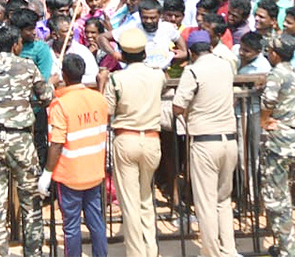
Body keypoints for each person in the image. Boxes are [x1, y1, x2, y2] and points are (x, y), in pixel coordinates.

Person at [0, 24, 53, 257]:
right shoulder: (27, 65)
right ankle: (33, 252)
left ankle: (0, 253)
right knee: (30, 201)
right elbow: (46, 95)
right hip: (20, 139)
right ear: (16, 44)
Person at [99, 26, 165, 257]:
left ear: (123, 55)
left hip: (126, 139)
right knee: (146, 197)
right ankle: (151, 249)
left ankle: (137, 253)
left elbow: (106, 109)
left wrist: (101, 84)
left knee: (130, 202)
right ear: (144, 53)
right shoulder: (158, 75)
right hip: (152, 140)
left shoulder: (117, 79)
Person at [172, 29, 238, 257]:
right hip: (229, 140)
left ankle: (210, 252)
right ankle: (229, 250)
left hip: (205, 142)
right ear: (210, 47)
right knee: (223, 199)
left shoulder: (193, 70)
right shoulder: (225, 65)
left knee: (206, 202)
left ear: (191, 52)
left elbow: (178, 107)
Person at [41, 54, 109, 257]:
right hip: (94, 172)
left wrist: (47, 173)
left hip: (70, 175)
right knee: (96, 222)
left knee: (71, 227)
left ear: (64, 75)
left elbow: (57, 143)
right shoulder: (99, 99)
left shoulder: (61, 105)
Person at [259, 35, 295, 257]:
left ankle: (288, 251)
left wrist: (264, 120)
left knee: (276, 199)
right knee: (285, 196)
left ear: (276, 53)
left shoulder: (277, 73)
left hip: (278, 142)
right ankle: (285, 246)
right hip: (294, 140)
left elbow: (268, 101)